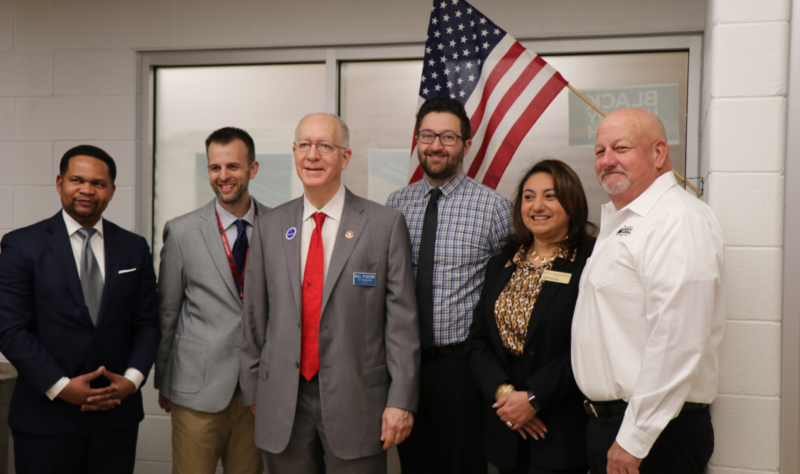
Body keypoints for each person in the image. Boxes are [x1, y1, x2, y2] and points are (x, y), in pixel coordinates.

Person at [239, 113, 419, 474]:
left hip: (358, 401)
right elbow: (254, 317)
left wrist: (401, 400)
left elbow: (401, 324)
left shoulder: (384, 225)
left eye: (325, 146)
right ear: (293, 153)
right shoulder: (270, 225)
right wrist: (255, 389)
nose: (313, 155)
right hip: (282, 402)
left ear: (345, 157)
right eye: (304, 145)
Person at [571, 108, 725, 474]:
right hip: (614, 426)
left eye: (620, 148)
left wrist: (634, 440)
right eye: (599, 151)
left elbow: (678, 340)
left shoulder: (677, 220)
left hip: (654, 437)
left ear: (658, 154)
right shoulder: (621, 221)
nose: (607, 160)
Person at [0, 145, 161, 474]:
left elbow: (148, 324)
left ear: (112, 191)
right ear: (60, 183)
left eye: (99, 183)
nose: (87, 189)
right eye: (77, 179)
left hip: (116, 416)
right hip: (45, 419)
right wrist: (61, 387)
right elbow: (11, 329)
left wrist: (131, 381)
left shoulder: (134, 247)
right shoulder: (21, 245)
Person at [386, 96, 512, 474]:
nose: (435, 146)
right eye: (427, 135)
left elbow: (508, 291)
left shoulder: (493, 208)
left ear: (466, 145)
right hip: (404, 368)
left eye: (447, 137)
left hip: (462, 370)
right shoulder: (396, 205)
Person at [466, 159, 594, 474]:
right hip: (506, 422)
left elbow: (591, 343)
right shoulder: (503, 262)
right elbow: (479, 338)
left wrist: (534, 398)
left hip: (561, 427)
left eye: (550, 196)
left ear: (572, 203)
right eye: (528, 196)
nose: (537, 205)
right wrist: (506, 394)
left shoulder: (591, 260)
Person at [154, 127, 266, 474]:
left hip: (257, 392)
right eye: (215, 168)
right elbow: (168, 311)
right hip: (196, 389)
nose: (223, 176)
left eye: (233, 166)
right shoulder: (182, 230)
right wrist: (165, 378)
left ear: (253, 169)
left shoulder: (280, 226)